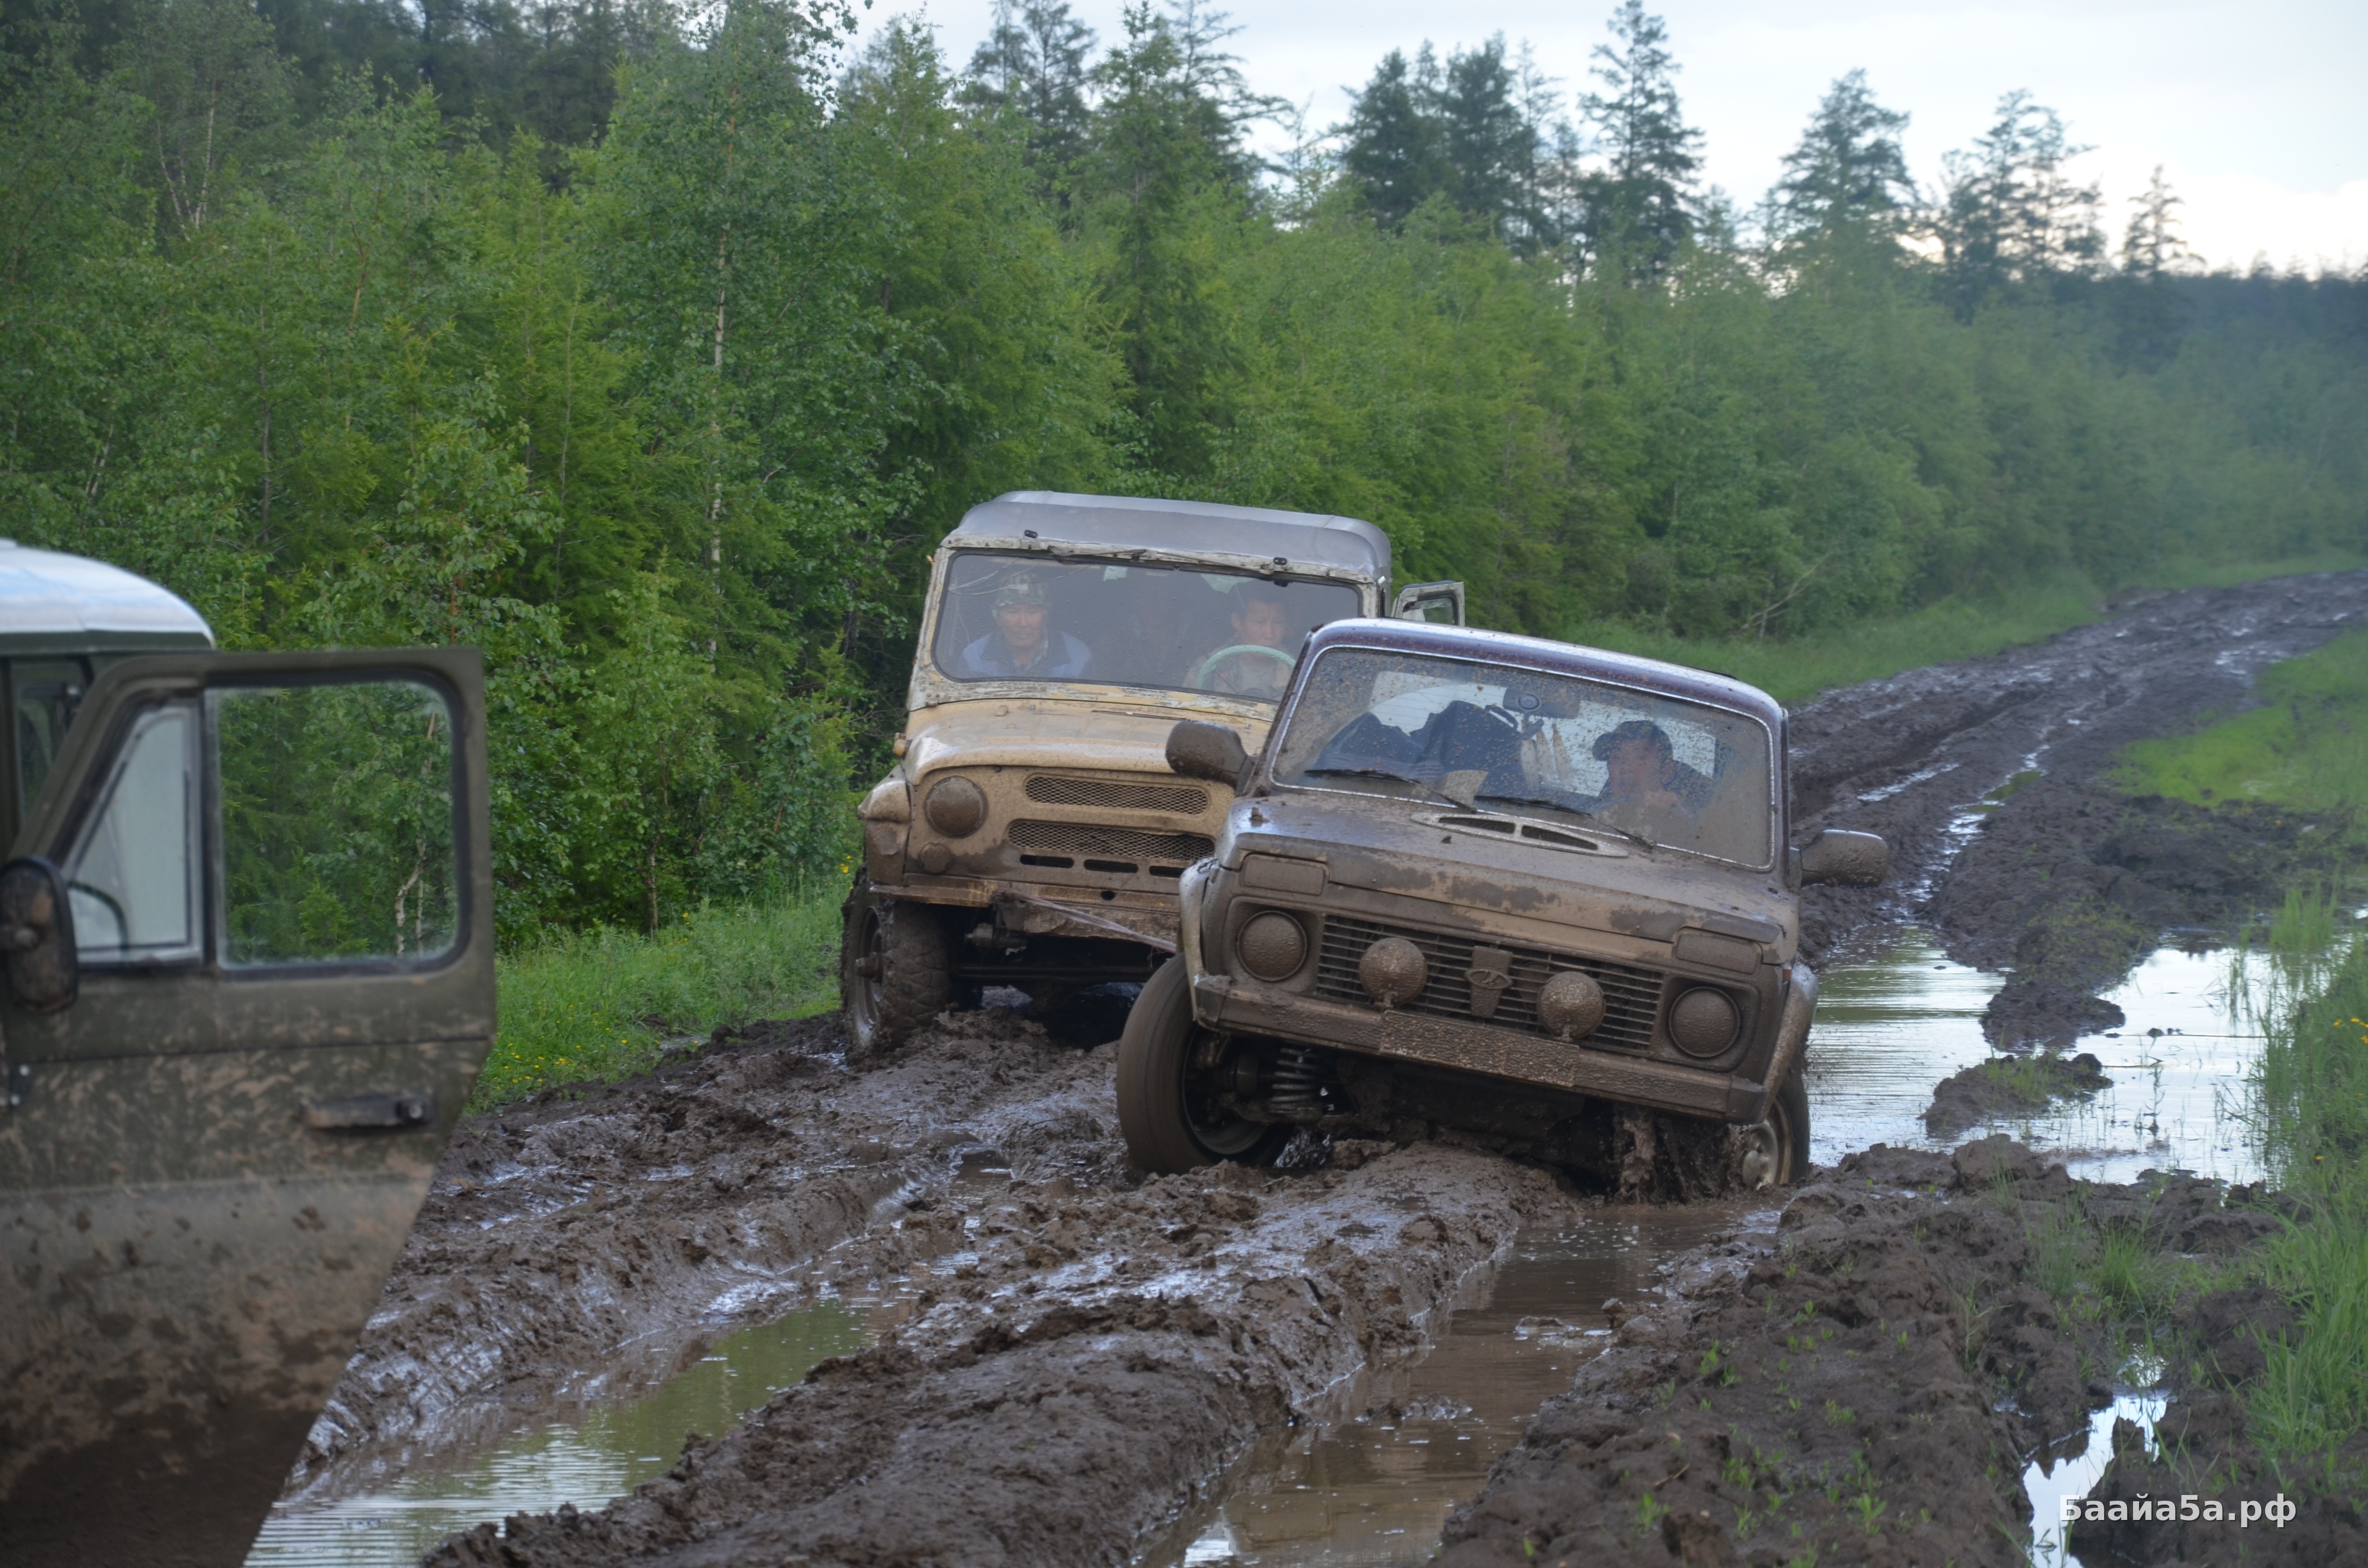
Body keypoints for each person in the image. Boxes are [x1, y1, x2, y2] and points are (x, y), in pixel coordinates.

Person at [957, 573, 1094, 678]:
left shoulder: (1077, 658)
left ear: (1046, 617)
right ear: (998, 618)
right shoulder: (974, 658)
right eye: (1013, 612)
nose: (1023, 623)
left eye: (1032, 611)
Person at [1193, 581, 1296, 699]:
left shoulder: (1301, 672)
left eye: (1277, 622)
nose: (1269, 634)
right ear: (1237, 622)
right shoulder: (1208, 668)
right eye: (1260, 622)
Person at [1592, 719, 1712, 813]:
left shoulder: (1688, 824)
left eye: (1640, 758)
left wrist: (1674, 815)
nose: (1626, 767)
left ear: (1667, 772)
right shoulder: (1588, 816)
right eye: (1618, 758)